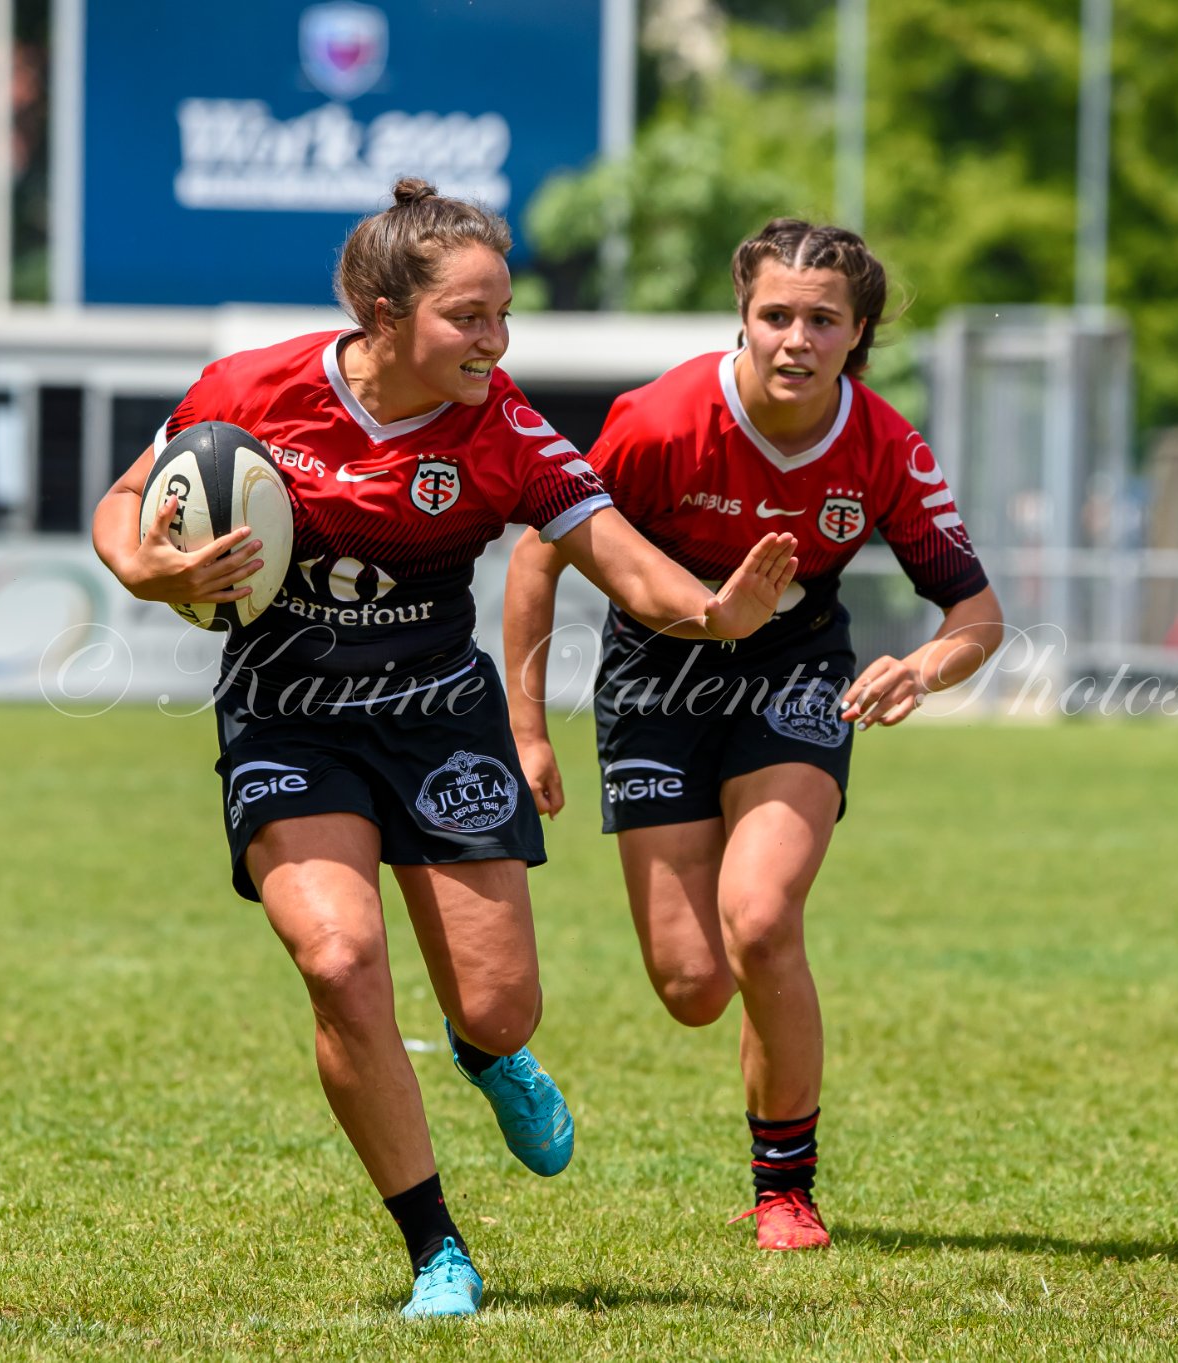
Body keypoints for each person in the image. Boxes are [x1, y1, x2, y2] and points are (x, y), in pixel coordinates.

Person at [89, 180, 798, 1318]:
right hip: (287, 717)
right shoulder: (250, 390)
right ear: (381, 311)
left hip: (438, 722)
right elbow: (124, 505)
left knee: (500, 1005)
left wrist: (720, 612)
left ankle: (488, 1054)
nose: (493, 340)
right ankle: (437, 1250)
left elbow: (621, 558)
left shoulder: (506, 427)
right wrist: (150, 569)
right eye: (468, 317)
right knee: (336, 961)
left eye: (502, 315)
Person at [502, 219, 1003, 1251]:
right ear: (742, 313)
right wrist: (526, 729)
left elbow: (976, 616)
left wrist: (921, 667)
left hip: (794, 673)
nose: (794, 338)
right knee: (691, 986)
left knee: (762, 918)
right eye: (774, 314)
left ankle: (785, 1186)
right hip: (655, 679)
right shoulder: (660, 419)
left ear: (856, 333)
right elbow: (538, 556)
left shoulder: (885, 446)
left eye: (821, 320)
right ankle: (755, 1014)